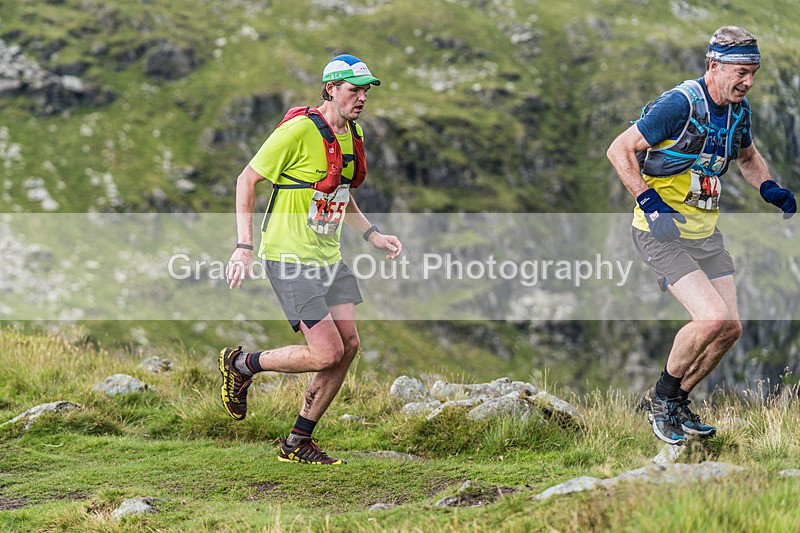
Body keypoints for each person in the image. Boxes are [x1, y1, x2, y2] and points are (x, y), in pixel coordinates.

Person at [607, 26, 796, 445]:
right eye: (741, 72)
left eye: (754, 73)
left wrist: (768, 187)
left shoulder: (737, 111)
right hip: (662, 233)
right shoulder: (679, 104)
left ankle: (675, 402)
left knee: (730, 329)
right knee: (710, 318)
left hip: (705, 236)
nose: (748, 82)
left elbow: (747, 156)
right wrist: (650, 204)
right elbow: (619, 149)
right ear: (714, 65)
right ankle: (659, 403)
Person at [219, 54, 403, 464]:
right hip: (288, 256)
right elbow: (246, 179)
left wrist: (372, 234)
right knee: (325, 352)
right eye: (354, 90)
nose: (361, 99)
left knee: (349, 345)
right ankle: (242, 364)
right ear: (330, 89)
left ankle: (297, 441)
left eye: (366, 91)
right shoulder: (299, 130)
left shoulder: (352, 134)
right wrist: (243, 245)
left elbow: (339, 193)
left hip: (328, 256)